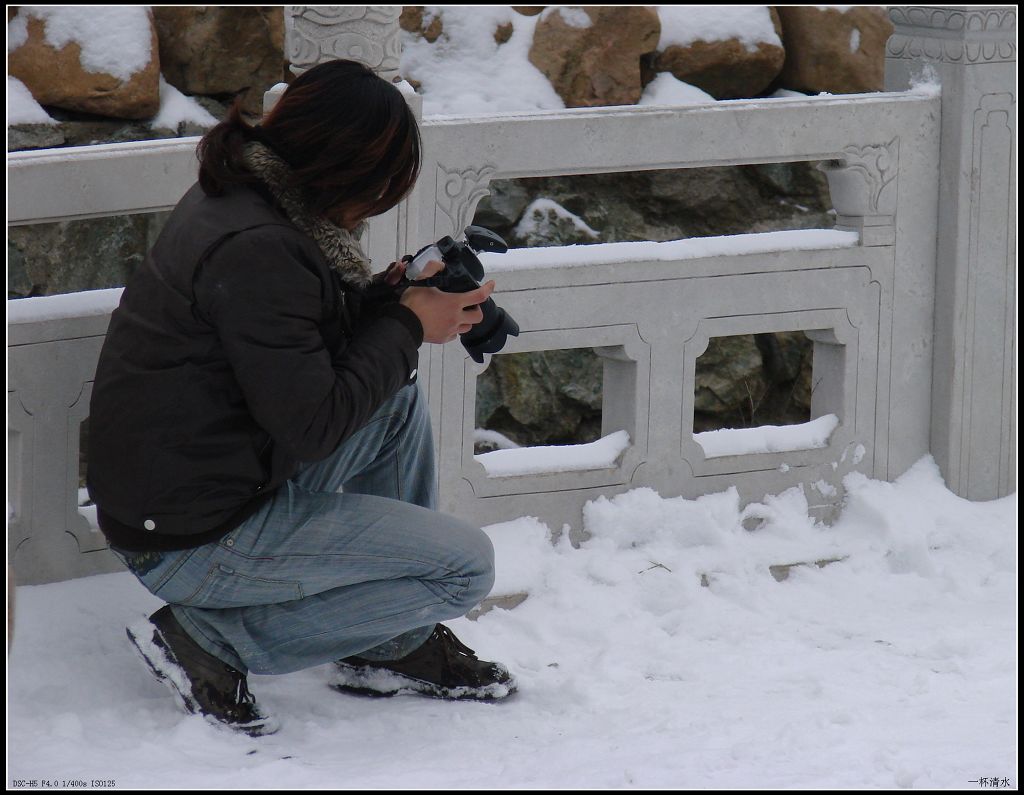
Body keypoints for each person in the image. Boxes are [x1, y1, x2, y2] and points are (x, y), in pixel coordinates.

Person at [86, 59, 515, 738]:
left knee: (393, 404)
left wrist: (393, 293)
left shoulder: (245, 200)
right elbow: (313, 422)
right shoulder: (259, 247)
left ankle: (388, 643)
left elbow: (294, 350)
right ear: (346, 172)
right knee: (463, 569)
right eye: (380, 187)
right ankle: (206, 642)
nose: (378, 204)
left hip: (190, 485)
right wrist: (406, 323)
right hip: (188, 537)